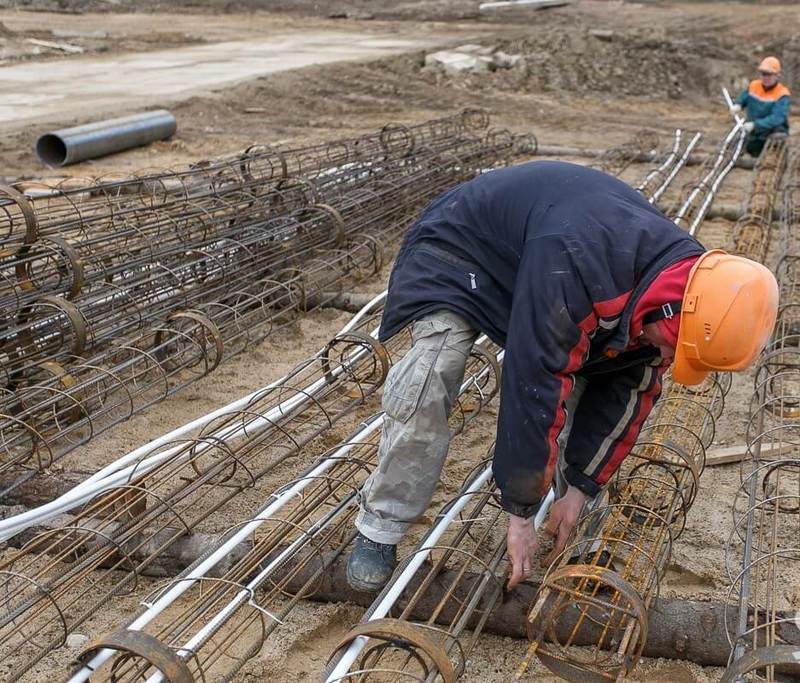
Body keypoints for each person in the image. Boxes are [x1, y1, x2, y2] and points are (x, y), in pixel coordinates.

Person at [345, 161, 779, 593]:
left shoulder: (688, 298)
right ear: (672, 311)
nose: (669, 355)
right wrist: (521, 512)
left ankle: (576, 531)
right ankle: (379, 527)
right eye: (674, 346)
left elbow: (627, 396)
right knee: (432, 372)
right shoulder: (587, 265)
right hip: (459, 254)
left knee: (599, 378)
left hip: (536, 270)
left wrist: (580, 490)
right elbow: (535, 381)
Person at [731, 56, 791, 157]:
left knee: (778, 138)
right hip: (754, 131)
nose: (766, 78)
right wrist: (738, 104)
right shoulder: (754, 85)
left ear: (777, 75)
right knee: (737, 140)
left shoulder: (782, 94)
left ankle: (775, 161)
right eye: (763, 74)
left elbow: (777, 118)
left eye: (769, 74)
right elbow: (744, 97)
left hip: (771, 132)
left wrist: (755, 125)